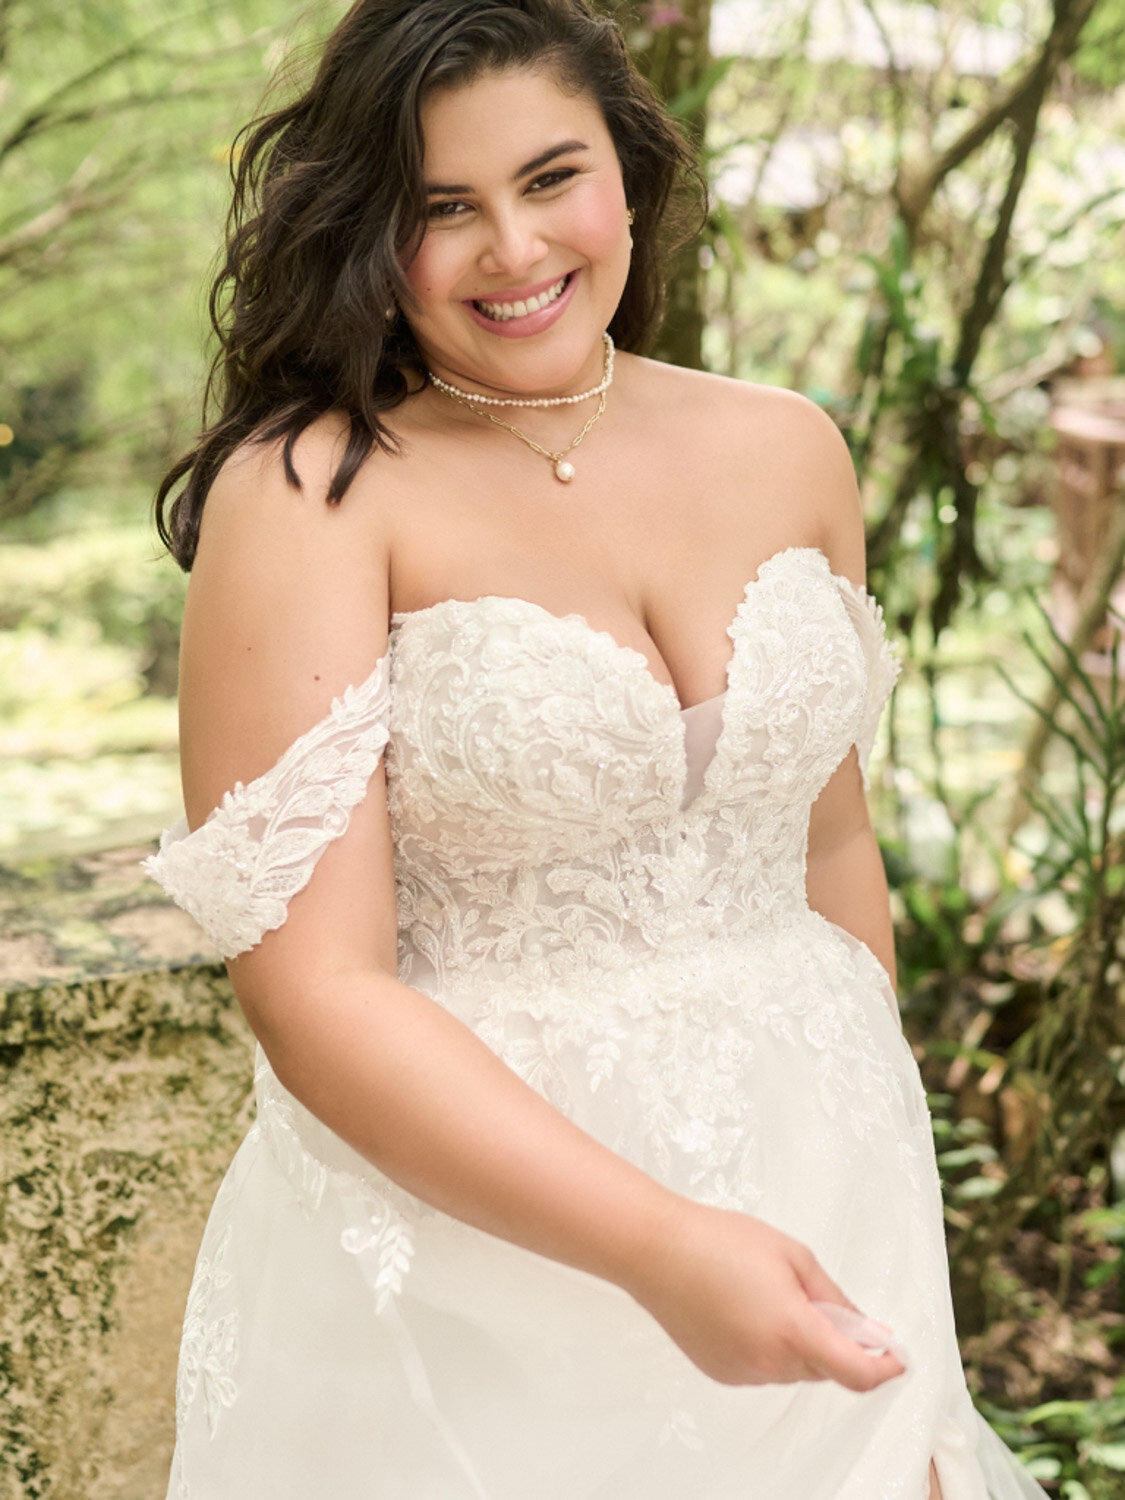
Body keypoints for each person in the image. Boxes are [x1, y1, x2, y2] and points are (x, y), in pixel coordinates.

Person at [146, 2, 1045, 1496]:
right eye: (444, 208)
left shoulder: (787, 446)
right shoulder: (312, 490)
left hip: (828, 1177)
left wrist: (863, 1114)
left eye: (550, 177)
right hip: (482, 1257)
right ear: (376, 236)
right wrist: (661, 1246)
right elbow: (311, 995)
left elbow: (822, 841)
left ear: (625, 175)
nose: (512, 248)